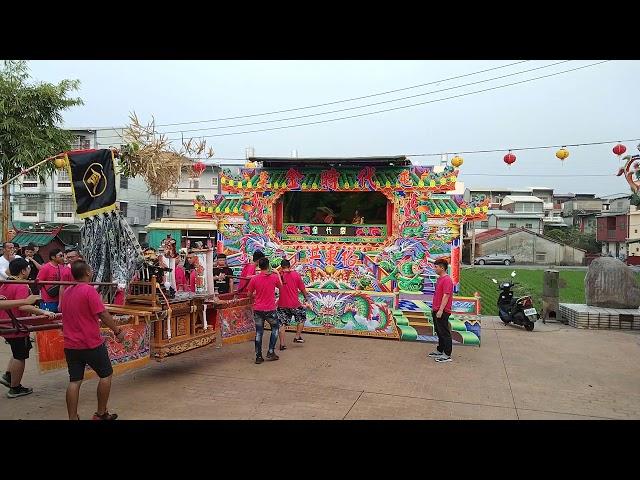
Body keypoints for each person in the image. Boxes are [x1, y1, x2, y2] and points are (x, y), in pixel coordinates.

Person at [60, 260, 125, 420]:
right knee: (106, 375)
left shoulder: (67, 291)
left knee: (74, 381)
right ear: (87, 273)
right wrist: (117, 330)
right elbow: (102, 314)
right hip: (90, 342)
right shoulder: (89, 291)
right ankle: (101, 413)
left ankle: (72, 417)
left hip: (70, 344)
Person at [0, 259, 56, 398]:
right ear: (23, 271)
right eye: (28, 268)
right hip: (16, 325)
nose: (30, 270)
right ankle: (15, 388)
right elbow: (23, 306)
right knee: (20, 356)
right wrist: (44, 312)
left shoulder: (6, 283)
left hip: (7, 324)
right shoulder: (20, 285)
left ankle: (8, 376)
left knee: (16, 352)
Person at [246, 257, 282, 364]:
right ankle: (271, 351)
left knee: (259, 332)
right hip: (270, 309)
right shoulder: (274, 277)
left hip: (258, 309)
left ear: (259, 266)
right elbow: (281, 287)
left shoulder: (254, 279)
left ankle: (258, 356)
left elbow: (249, 294)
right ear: (268, 265)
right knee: (275, 328)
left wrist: (256, 294)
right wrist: (277, 273)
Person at [276, 259, 310, 350]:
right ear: (289, 266)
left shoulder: (278, 275)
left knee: (282, 323)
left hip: (282, 304)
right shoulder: (296, 275)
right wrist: (306, 297)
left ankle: (282, 344)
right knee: (302, 318)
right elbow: (302, 289)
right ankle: (297, 336)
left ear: (281, 266)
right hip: (294, 304)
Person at [428, 259, 454, 363]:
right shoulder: (440, 279)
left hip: (442, 310)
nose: (435, 269)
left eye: (436, 267)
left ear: (442, 268)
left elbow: (446, 295)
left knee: (444, 332)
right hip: (436, 309)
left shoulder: (447, 280)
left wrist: (441, 310)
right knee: (439, 331)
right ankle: (440, 350)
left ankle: (447, 354)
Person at [36, 248, 65, 312]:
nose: (62, 257)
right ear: (53, 257)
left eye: (63, 256)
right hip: (48, 300)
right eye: (60, 256)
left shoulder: (62, 267)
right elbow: (38, 283)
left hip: (59, 299)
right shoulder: (45, 268)